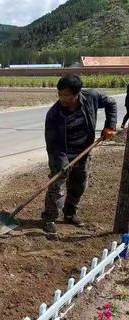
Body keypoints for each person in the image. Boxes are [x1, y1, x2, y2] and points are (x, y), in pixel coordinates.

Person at [41, 74, 117, 235]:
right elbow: (52, 144)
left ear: (77, 94)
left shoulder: (91, 97)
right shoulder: (53, 114)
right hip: (61, 154)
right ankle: (49, 218)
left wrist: (110, 126)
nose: (62, 98)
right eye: (60, 94)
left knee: (79, 185)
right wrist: (62, 163)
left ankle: (70, 213)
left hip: (84, 151)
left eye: (66, 95)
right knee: (57, 188)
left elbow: (111, 103)